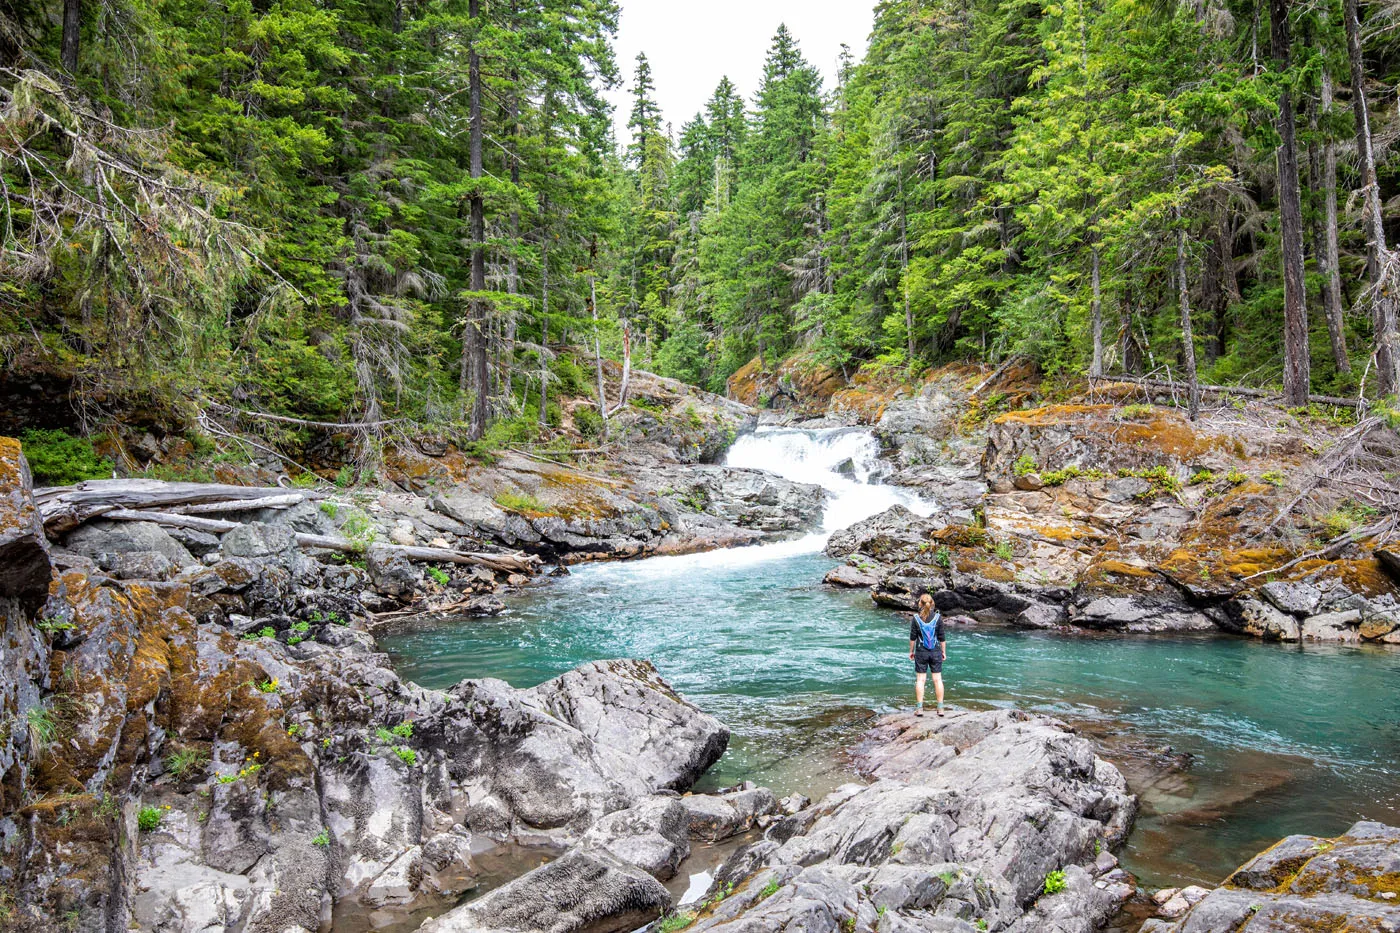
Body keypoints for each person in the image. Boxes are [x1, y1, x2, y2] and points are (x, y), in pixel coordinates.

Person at [908, 593, 947, 716]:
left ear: (920, 603)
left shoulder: (916, 618)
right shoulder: (938, 618)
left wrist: (911, 652)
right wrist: (943, 652)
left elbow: (912, 637)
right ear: (932, 604)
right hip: (935, 651)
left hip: (921, 652)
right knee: (937, 679)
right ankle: (940, 708)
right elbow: (942, 637)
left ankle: (920, 709)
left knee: (920, 680)